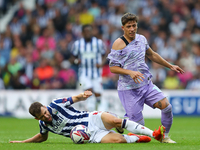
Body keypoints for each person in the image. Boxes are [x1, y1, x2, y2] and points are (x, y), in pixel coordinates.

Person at [107, 13, 185, 143]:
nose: (132, 29)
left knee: (167, 107)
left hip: (146, 85)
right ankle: (119, 123)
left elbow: (152, 55)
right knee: (139, 127)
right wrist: (130, 72)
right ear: (123, 28)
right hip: (128, 89)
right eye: (128, 26)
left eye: (134, 25)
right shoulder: (118, 44)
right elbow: (112, 68)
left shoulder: (142, 39)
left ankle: (164, 137)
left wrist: (170, 66)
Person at [9, 91, 165, 144]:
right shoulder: (44, 125)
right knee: (119, 141)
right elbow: (42, 138)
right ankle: (135, 138)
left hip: (92, 118)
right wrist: (23, 142)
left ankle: (154, 134)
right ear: (38, 119)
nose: (46, 115)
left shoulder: (55, 104)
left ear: (45, 106)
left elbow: (74, 99)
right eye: (42, 116)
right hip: (90, 135)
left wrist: (83, 96)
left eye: (45, 111)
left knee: (116, 120)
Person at [71, 24, 106, 111]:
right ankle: (90, 111)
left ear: (92, 32)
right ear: (82, 33)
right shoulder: (78, 44)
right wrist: (76, 61)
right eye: (86, 32)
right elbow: (72, 58)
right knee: (89, 90)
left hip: (96, 73)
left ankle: (98, 107)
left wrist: (101, 63)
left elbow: (105, 54)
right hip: (83, 72)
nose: (88, 33)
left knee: (98, 93)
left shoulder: (98, 43)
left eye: (89, 31)